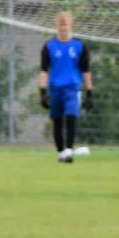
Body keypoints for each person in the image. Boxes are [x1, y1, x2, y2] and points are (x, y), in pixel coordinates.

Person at [38, 12, 92, 163]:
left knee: (71, 116)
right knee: (57, 120)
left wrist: (89, 93)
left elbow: (86, 71)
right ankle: (61, 152)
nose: (63, 28)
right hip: (55, 88)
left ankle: (68, 151)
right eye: (61, 25)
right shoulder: (49, 47)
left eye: (66, 25)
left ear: (71, 26)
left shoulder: (79, 47)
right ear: (57, 27)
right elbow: (43, 71)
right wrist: (42, 92)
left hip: (72, 87)